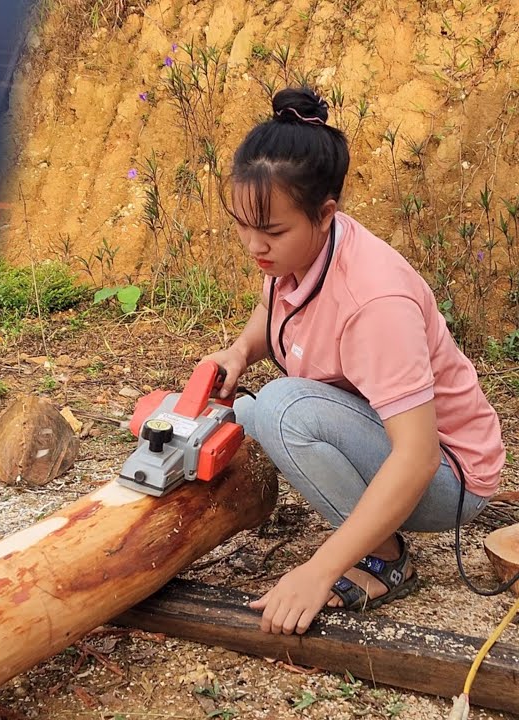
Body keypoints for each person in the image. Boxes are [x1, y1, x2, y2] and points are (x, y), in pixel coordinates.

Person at [202, 87, 503, 635]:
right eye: (242, 226)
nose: (253, 246)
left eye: (270, 232)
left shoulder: (375, 301)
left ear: (325, 214)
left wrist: (319, 570)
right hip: (390, 438)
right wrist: (240, 351)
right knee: (225, 423)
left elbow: (416, 457)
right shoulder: (300, 251)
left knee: (283, 411)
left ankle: (384, 559)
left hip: (449, 475)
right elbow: (273, 308)